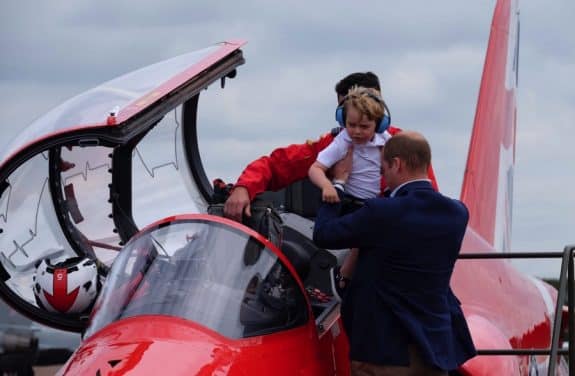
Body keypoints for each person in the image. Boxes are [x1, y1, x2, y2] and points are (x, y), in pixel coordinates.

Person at [223, 71, 438, 294]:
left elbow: (428, 204)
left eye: (361, 121)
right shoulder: (335, 143)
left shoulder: (405, 148)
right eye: (346, 118)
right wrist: (244, 188)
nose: (352, 130)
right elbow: (276, 165)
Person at [313, 131, 476, 375]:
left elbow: (324, 234)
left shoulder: (382, 213)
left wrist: (336, 184)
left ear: (397, 164)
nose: (383, 178)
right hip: (434, 350)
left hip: (384, 353)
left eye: (383, 170)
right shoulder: (457, 213)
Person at [308, 86, 390, 301]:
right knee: (364, 238)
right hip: (348, 202)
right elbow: (315, 168)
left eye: (365, 126)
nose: (357, 132)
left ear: (379, 125)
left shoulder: (386, 142)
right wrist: (327, 186)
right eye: (351, 125)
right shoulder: (342, 142)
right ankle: (343, 278)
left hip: (373, 202)